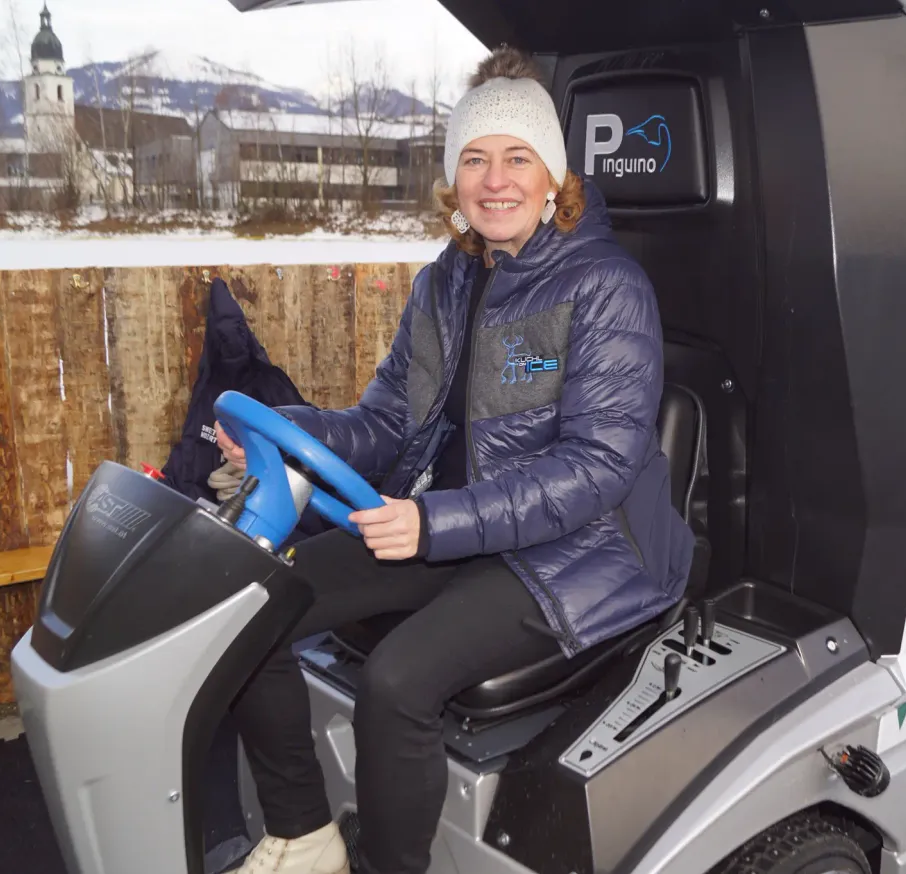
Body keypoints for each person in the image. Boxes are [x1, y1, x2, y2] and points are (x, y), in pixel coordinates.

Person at [219, 45, 695, 874]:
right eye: (474, 158)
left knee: (398, 681)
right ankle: (305, 833)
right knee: (254, 605)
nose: (495, 179)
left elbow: (598, 467)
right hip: (453, 527)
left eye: (517, 157)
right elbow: (386, 422)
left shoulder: (606, 285)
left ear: (554, 177)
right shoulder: (444, 283)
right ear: (453, 179)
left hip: (577, 552)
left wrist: (434, 521)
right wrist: (280, 425)